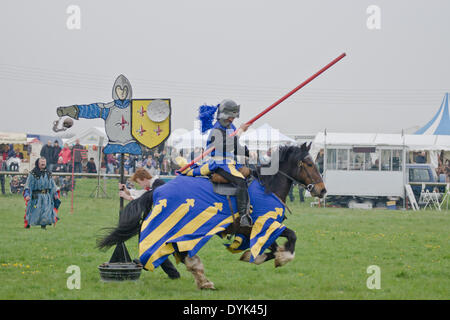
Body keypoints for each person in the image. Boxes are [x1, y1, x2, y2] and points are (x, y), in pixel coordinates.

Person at [180, 99, 252, 226]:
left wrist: (246, 152)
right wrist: (240, 131)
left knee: (252, 173)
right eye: (230, 117)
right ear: (223, 114)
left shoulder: (232, 127)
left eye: (233, 117)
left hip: (232, 162)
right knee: (240, 181)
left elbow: (234, 146)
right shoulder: (216, 130)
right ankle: (243, 217)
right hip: (219, 163)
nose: (232, 119)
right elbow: (225, 146)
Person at [117, 168, 180, 279]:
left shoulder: (158, 184)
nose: (139, 185)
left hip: (163, 221)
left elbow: (146, 199)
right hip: (160, 221)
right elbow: (143, 194)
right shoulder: (154, 184)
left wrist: (128, 197)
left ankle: (147, 262)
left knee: (158, 246)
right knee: (155, 246)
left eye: (139, 182)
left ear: (144, 178)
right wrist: (127, 191)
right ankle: (171, 273)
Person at [23, 157, 60, 229]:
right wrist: (27, 194)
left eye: (44, 162)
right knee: (34, 211)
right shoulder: (33, 174)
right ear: (38, 163)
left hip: (46, 196)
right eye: (41, 162)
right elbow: (28, 185)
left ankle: (44, 226)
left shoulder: (48, 173)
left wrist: (55, 194)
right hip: (36, 197)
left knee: (46, 211)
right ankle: (28, 224)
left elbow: (53, 185)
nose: (43, 163)